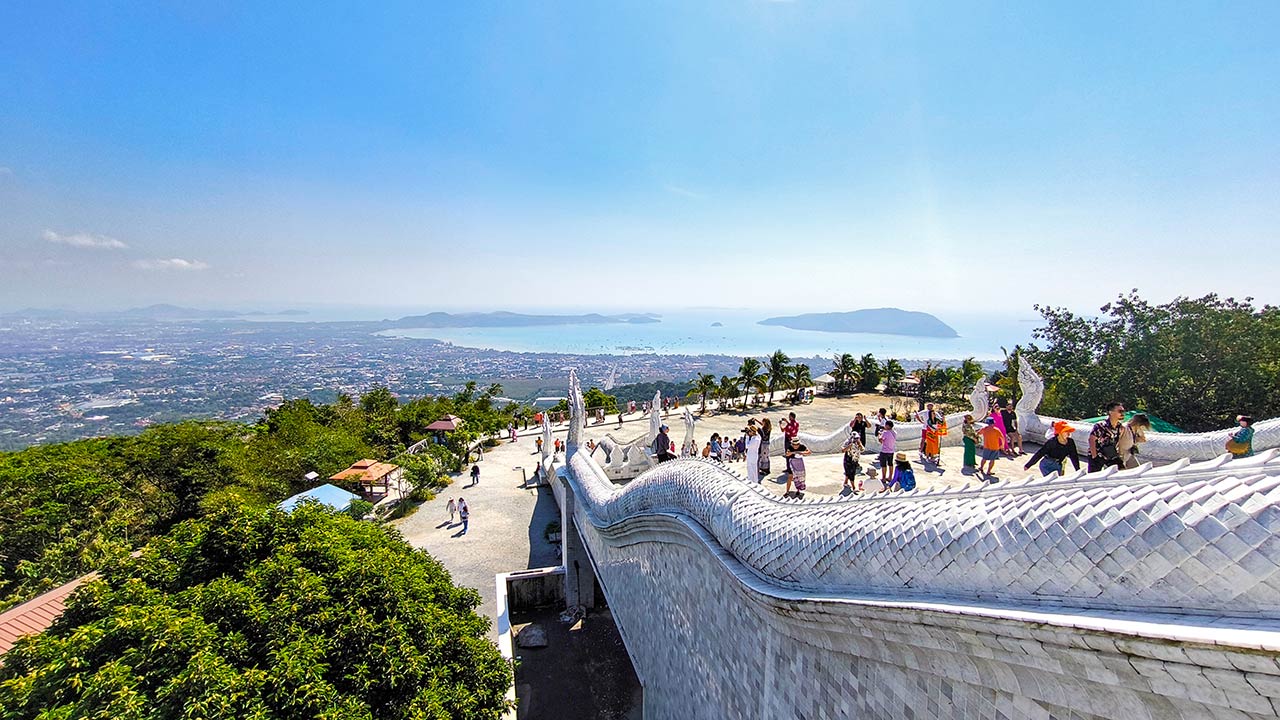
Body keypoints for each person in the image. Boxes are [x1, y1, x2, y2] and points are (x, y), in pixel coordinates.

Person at [1088, 402, 1126, 472]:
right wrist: (1094, 456)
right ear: (1111, 412)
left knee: (1121, 471)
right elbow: (1091, 440)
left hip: (1110, 455)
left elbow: (1118, 441)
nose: (1122, 414)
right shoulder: (1101, 426)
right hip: (1098, 455)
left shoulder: (1120, 428)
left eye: (1123, 411)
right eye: (1120, 411)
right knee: (1093, 477)